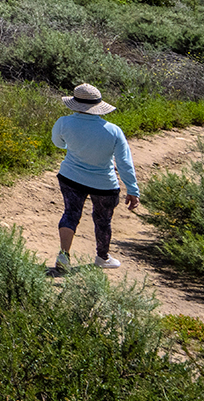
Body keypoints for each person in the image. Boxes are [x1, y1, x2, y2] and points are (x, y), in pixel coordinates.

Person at [51, 83, 139, 271]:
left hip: (71, 176)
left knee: (71, 213)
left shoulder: (63, 122)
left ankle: (64, 255)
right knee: (103, 220)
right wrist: (132, 189)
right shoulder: (113, 130)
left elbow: (58, 143)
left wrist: (73, 147)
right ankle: (102, 257)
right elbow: (124, 162)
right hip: (104, 184)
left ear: (75, 103)